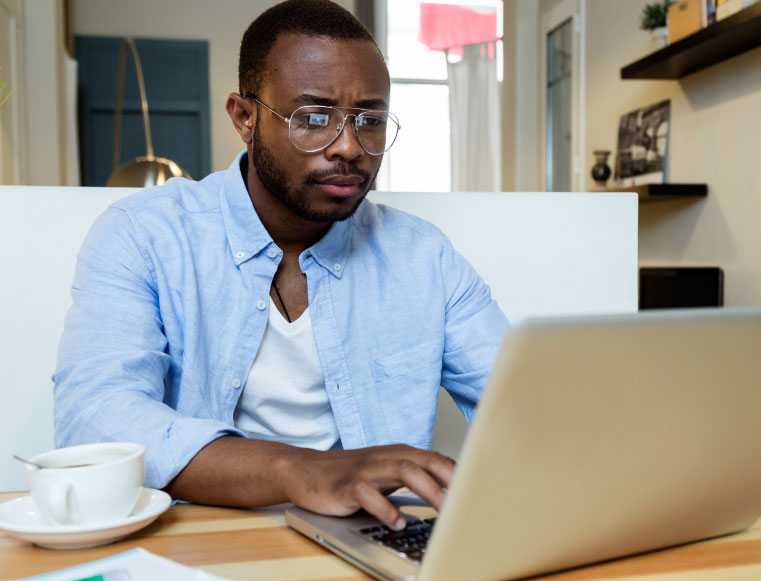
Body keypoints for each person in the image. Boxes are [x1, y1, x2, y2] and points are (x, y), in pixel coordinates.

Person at [54, 0, 508, 532]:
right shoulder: (146, 235)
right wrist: (302, 472)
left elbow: (523, 401)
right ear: (244, 118)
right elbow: (95, 420)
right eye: (313, 119)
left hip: (372, 540)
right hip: (194, 544)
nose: (348, 148)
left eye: (371, 121)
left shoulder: (423, 257)